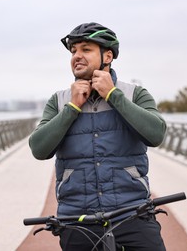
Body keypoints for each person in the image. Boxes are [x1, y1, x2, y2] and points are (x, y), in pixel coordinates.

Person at [29, 22, 167, 250]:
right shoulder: (60, 101)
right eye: (73, 51)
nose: (77, 56)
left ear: (108, 56)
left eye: (86, 49)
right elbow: (39, 149)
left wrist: (113, 95)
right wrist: (73, 107)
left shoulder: (135, 94)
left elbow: (156, 134)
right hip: (76, 218)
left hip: (132, 213)